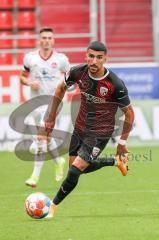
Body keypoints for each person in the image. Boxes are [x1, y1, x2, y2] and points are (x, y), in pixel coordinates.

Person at [44, 41, 135, 218]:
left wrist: (122, 143)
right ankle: (115, 162)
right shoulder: (78, 72)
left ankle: (51, 206)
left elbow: (130, 113)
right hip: (80, 127)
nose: (94, 61)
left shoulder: (114, 84)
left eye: (99, 58)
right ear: (86, 56)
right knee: (77, 168)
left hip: (101, 132)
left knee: (74, 169)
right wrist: (51, 116)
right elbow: (61, 88)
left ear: (105, 59)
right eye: (91, 56)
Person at [20, 27, 70, 187]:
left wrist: (65, 87)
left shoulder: (61, 59)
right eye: (44, 38)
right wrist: (29, 83)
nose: (47, 40)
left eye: (49, 37)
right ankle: (58, 160)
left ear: (53, 40)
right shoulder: (30, 58)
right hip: (35, 103)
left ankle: (34, 177)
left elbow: (71, 77)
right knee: (46, 139)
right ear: (39, 40)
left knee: (40, 139)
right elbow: (22, 77)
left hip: (53, 103)